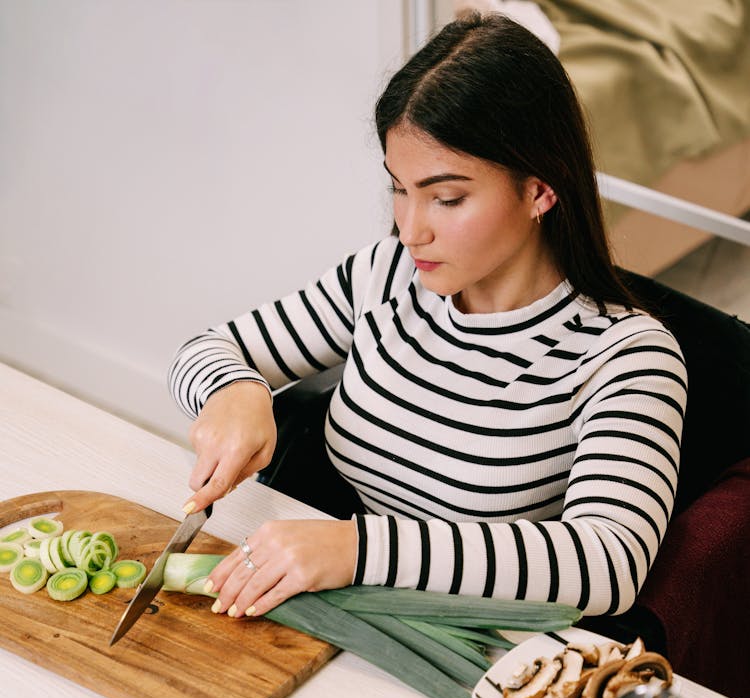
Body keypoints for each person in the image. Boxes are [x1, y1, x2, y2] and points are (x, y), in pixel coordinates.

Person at [168, 12, 686, 624]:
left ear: (541, 191)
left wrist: (358, 549)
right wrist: (237, 389)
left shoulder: (626, 355)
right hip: (339, 618)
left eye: (447, 198)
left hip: (475, 658)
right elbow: (206, 348)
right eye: (399, 189)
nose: (411, 230)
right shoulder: (385, 277)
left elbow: (609, 563)